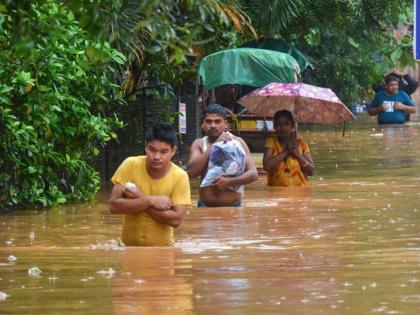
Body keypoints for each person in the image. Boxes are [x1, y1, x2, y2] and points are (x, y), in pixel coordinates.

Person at [108, 122, 191, 246]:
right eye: (152, 150)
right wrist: (150, 201)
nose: (156, 157)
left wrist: (140, 198)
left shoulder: (180, 176)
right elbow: (113, 206)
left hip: (163, 250)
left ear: (173, 151)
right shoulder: (130, 164)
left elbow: (176, 220)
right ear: (146, 146)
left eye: (163, 152)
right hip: (128, 248)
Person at [187, 103, 258, 207]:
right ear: (203, 125)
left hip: (234, 206)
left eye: (217, 121)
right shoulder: (199, 144)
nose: (213, 125)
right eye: (208, 121)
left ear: (225, 124)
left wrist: (229, 182)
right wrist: (215, 145)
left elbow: (253, 174)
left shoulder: (238, 142)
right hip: (205, 206)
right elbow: (190, 172)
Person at [263, 110, 314, 187]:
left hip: (300, 193)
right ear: (274, 126)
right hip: (276, 194)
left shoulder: (301, 143)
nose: (282, 128)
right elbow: (266, 166)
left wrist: (297, 154)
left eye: (286, 124)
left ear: (292, 125)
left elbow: (311, 171)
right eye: (279, 124)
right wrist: (286, 151)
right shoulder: (271, 142)